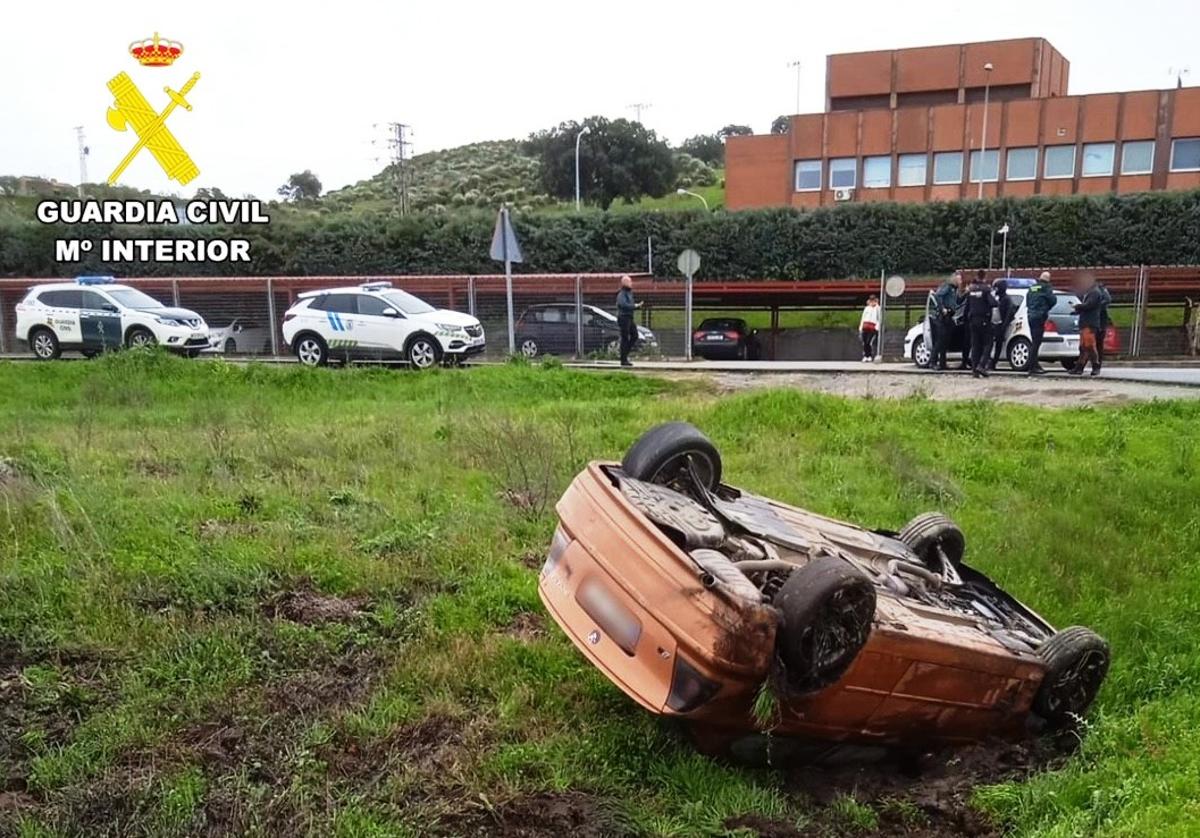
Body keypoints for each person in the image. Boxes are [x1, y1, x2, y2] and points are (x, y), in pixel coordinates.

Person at [964, 270, 998, 378]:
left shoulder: (971, 289)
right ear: (984, 277)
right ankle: (982, 365)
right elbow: (993, 303)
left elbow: (967, 306)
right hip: (984, 320)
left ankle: (974, 370)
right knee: (988, 344)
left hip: (973, 320)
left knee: (975, 345)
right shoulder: (986, 289)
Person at [1070, 273, 1103, 376]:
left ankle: (1095, 366)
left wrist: (1078, 306)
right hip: (1086, 322)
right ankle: (1079, 367)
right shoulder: (1090, 292)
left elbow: (1089, 305)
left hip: (1090, 323)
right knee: (1083, 346)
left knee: (1089, 346)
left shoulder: (1094, 293)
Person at [1024, 271, 1056, 375]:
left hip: (1030, 316)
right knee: (1036, 342)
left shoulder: (1032, 287)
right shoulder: (1046, 288)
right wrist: (1045, 308)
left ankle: (1035, 364)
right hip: (1039, 317)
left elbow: (1028, 300)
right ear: (1048, 279)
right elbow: (1053, 300)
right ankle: (1032, 366)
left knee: (1034, 340)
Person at [930, 273, 960, 370]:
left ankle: (943, 363)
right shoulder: (947, 287)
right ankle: (933, 362)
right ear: (954, 280)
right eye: (959, 279)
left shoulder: (955, 290)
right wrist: (942, 308)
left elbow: (957, 302)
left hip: (950, 316)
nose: (961, 282)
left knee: (945, 341)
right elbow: (937, 296)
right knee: (940, 341)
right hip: (943, 317)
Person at [988, 278, 1016, 370]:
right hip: (993, 324)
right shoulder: (997, 297)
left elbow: (1009, 313)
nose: (995, 290)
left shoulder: (1006, 299)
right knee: (990, 344)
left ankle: (993, 362)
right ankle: (989, 361)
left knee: (997, 345)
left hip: (1000, 325)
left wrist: (1003, 326)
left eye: (997, 288)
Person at [615, 275, 640, 367]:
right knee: (625, 338)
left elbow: (629, 304)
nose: (631, 283)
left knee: (635, 335)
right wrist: (634, 306)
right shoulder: (622, 293)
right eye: (630, 282)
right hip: (624, 317)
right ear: (625, 283)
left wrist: (634, 306)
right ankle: (623, 359)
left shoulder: (630, 293)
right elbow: (623, 304)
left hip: (629, 317)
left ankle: (625, 354)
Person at [1094, 280, 1112, 373]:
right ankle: (1081, 366)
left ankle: (1097, 366)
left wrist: (1096, 307)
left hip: (1100, 322)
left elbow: (1108, 299)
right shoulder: (1089, 290)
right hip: (1091, 321)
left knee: (1098, 344)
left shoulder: (1100, 289)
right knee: (1087, 345)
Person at [859, 295, 880, 362]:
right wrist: (861, 327)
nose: (872, 302)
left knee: (869, 341)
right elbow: (863, 317)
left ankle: (869, 355)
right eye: (871, 300)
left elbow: (879, 318)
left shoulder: (877, 308)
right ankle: (865, 355)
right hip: (865, 326)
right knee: (865, 342)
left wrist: (877, 327)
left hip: (872, 327)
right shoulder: (867, 308)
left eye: (873, 300)